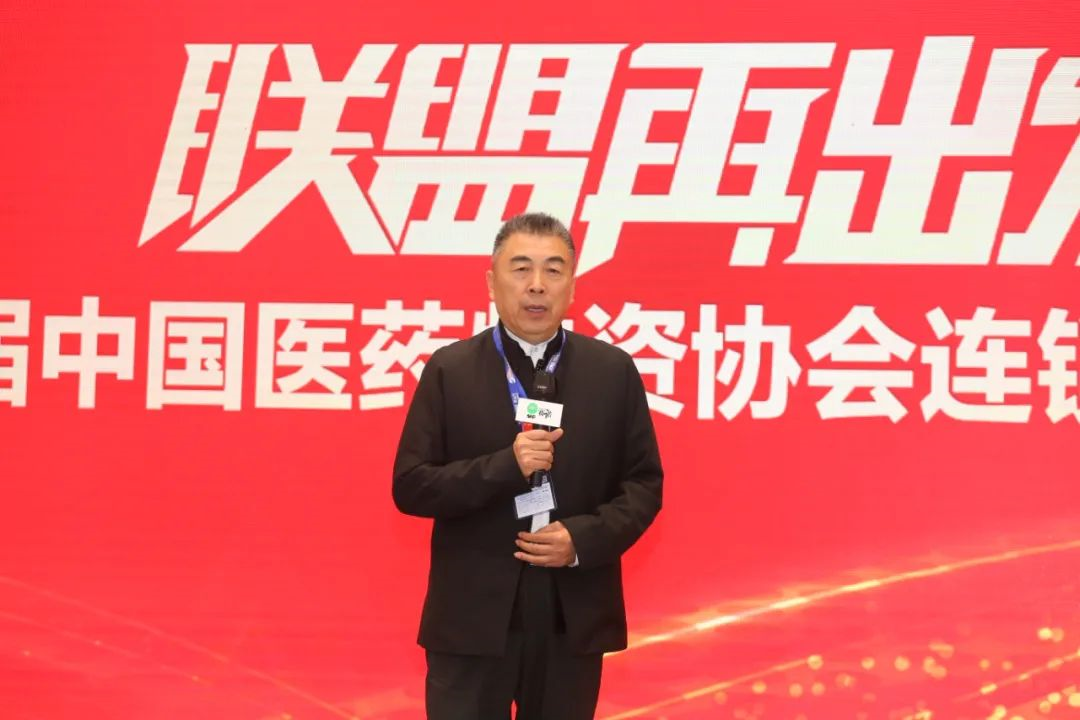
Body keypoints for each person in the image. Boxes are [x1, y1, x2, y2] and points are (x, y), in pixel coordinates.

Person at [392, 212, 663, 719]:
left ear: (572, 286)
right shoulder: (450, 369)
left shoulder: (612, 371)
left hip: (570, 615)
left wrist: (582, 540)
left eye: (553, 270)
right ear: (492, 282)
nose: (537, 285)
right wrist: (504, 466)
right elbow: (412, 486)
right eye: (520, 269)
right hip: (472, 618)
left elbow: (644, 485)